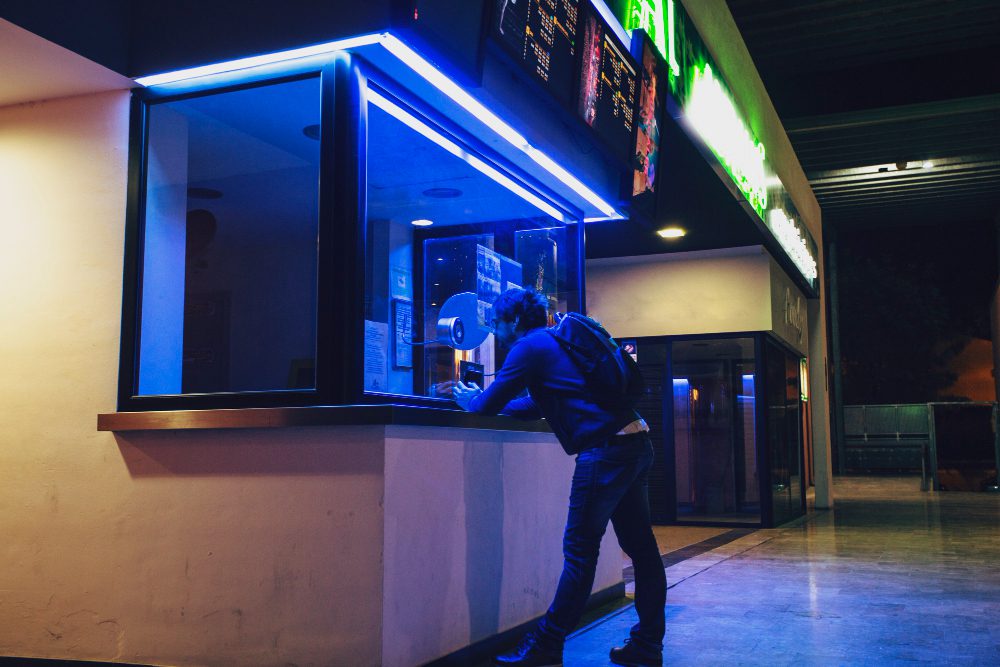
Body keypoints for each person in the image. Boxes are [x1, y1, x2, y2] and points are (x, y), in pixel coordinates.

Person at [453, 288, 665, 667]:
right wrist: (495, 405)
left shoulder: (528, 347)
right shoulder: (555, 342)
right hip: (635, 442)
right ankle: (647, 645)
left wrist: (468, 398)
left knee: (580, 553)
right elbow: (537, 403)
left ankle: (546, 645)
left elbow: (486, 405)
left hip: (606, 452)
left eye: (497, 323)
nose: (495, 332)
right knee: (643, 550)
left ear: (515, 321)